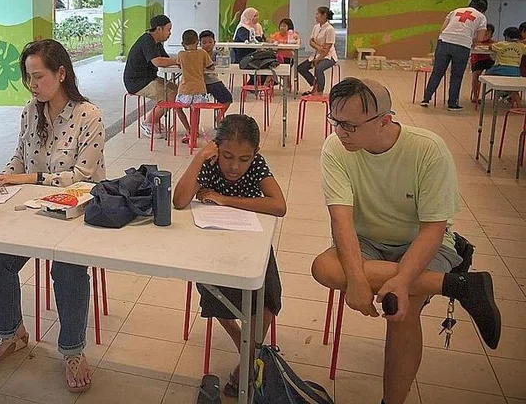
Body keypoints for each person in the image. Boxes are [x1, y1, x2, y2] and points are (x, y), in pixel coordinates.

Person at [311, 78, 502, 404]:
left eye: (350, 125)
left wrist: (401, 280)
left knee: (402, 305)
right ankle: (458, 285)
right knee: (323, 267)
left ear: (384, 120)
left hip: (422, 242)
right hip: (368, 240)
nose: (340, 132)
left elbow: (433, 229)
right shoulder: (336, 147)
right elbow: (341, 220)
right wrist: (355, 278)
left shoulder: (427, 149)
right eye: (335, 121)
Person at [0, 39, 105, 393]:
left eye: (38, 77)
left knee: (67, 269)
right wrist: (1, 178)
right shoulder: (30, 112)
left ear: (61, 74)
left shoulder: (89, 115)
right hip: (32, 213)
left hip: (76, 214)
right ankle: (11, 333)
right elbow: (19, 157)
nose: (32, 85)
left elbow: (82, 178)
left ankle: (72, 351)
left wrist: (27, 179)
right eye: (28, 78)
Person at [173, 114, 286, 398]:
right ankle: (250, 355)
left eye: (244, 159)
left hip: (252, 244)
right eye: (227, 156)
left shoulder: (256, 166)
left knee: (268, 299)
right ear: (216, 148)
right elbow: (179, 200)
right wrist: (199, 157)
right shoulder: (210, 163)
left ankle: (247, 359)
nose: (235, 166)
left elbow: (279, 205)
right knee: (215, 293)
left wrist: (225, 200)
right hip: (212, 248)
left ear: (255, 154)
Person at [123, 14, 189, 138]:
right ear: (159, 29)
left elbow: (166, 59)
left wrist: (182, 61)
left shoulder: (157, 43)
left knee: (177, 91)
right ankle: (148, 123)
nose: (170, 33)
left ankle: (156, 120)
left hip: (149, 79)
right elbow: (158, 62)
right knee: (171, 96)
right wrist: (178, 60)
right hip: (137, 83)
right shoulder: (147, 41)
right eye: (168, 30)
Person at [420, 0, 488, 110]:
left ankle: (426, 99)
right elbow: (480, 38)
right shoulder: (481, 17)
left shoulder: (455, 11)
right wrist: (469, 39)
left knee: (437, 72)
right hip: (462, 46)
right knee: (456, 75)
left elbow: (442, 29)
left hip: (444, 42)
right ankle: (452, 103)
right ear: (483, 9)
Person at [176, 29, 213, 144]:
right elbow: (211, 67)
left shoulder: (181, 54)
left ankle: (189, 130)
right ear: (197, 42)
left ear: (183, 44)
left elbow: (179, 65)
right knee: (196, 111)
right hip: (200, 91)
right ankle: (195, 132)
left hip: (185, 91)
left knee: (177, 108)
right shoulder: (202, 53)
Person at [297, 6, 338, 96]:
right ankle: (314, 84)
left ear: (324, 15)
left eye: (317, 14)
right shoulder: (316, 27)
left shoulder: (330, 29)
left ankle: (319, 91)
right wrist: (318, 48)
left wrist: (318, 59)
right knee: (301, 68)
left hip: (329, 56)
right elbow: (311, 42)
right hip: (317, 54)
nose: (315, 16)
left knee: (318, 68)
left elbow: (327, 49)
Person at [199, 30, 234, 116]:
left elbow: (224, 66)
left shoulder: (218, 54)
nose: (207, 44)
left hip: (213, 81)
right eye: (204, 43)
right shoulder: (198, 55)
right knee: (194, 104)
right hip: (199, 82)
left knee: (228, 99)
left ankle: (219, 118)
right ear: (200, 44)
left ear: (214, 43)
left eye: (210, 42)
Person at [469, 23, 495, 103]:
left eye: (487, 34)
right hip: (477, 61)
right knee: (476, 74)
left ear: (491, 36)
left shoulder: (492, 42)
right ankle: (475, 96)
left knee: (497, 70)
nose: (484, 36)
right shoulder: (474, 40)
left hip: (488, 60)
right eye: (483, 33)